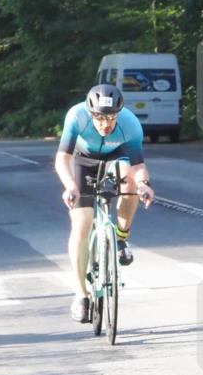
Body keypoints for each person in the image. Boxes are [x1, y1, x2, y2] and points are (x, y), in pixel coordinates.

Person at [55, 83, 154, 323]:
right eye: (99, 117)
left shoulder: (130, 124)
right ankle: (81, 294)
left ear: (119, 114)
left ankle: (120, 238)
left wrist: (143, 184)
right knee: (82, 223)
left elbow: (138, 165)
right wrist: (70, 186)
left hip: (116, 157)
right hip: (84, 160)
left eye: (111, 117)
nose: (105, 123)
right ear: (90, 113)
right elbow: (62, 158)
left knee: (128, 179)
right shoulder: (76, 116)